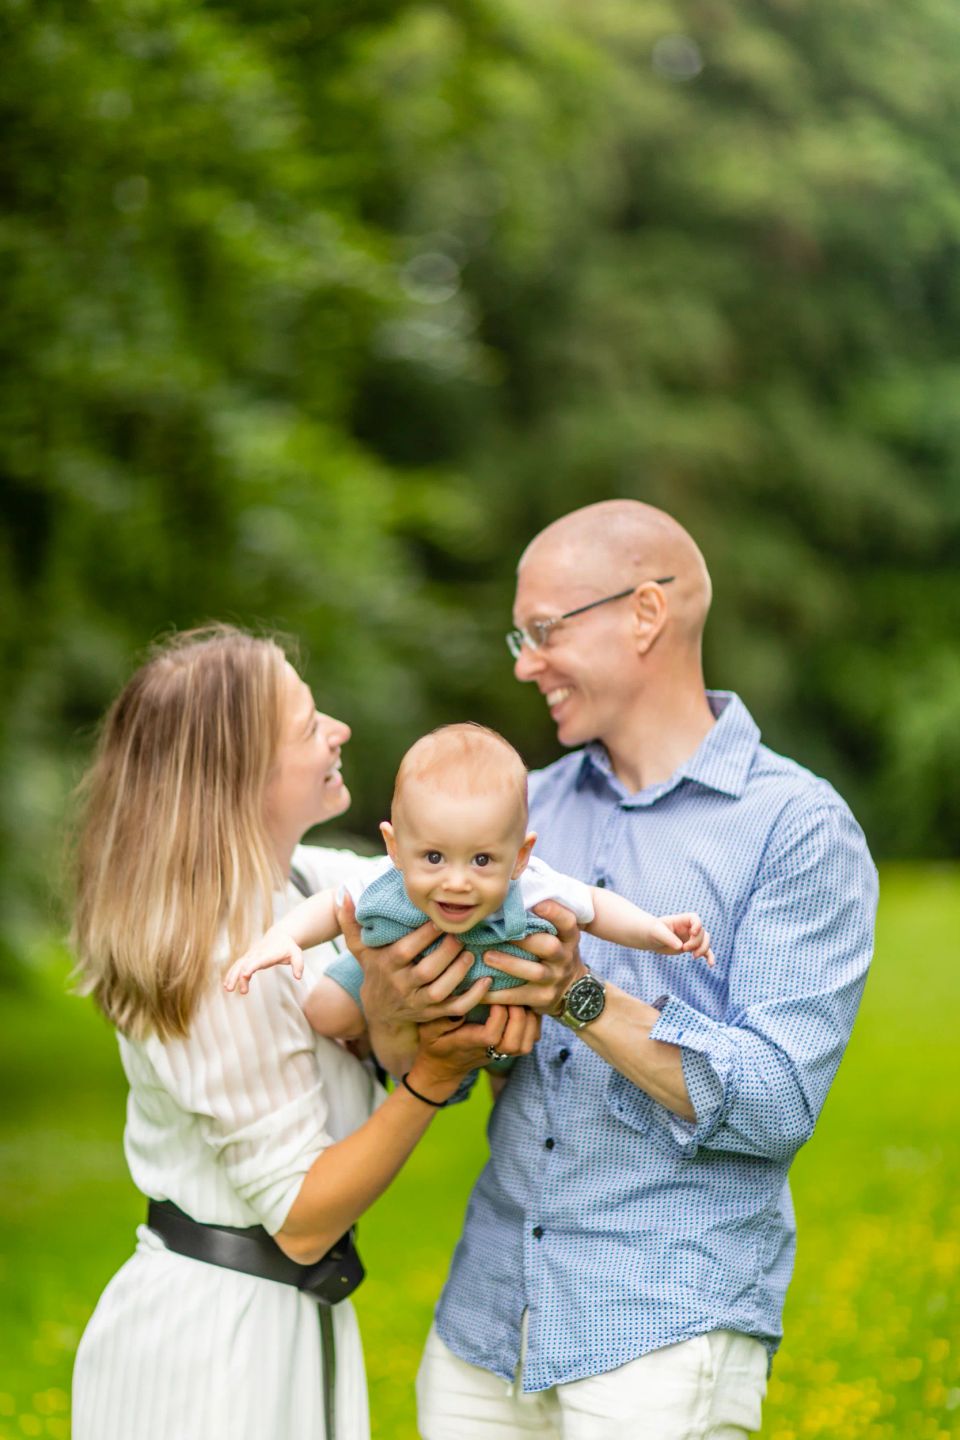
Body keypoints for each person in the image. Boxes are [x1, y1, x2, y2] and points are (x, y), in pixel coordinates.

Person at [348, 501, 879, 1440]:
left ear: (644, 614)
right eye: (521, 637)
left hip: (662, 1332)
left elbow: (775, 1104)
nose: (525, 663)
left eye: (544, 630)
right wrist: (399, 1005)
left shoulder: (797, 827)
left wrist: (577, 995)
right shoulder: (517, 813)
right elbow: (421, 1061)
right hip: (485, 1330)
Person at [69, 626, 530, 1440]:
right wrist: (431, 1075)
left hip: (284, 1326)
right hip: (216, 1356)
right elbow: (304, 1217)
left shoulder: (307, 882)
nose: (339, 731)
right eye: (310, 724)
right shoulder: (211, 956)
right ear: (242, 772)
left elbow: (476, 886)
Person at [223, 723, 714, 1043]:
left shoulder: (532, 886)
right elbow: (331, 907)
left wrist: (653, 931)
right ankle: (394, 1045)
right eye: (434, 857)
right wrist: (282, 937)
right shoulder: (383, 881)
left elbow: (595, 906)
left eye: (482, 860)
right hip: (392, 962)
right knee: (326, 1015)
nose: (456, 883)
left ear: (520, 857)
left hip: (491, 992)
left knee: (509, 1039)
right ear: (395, 848)